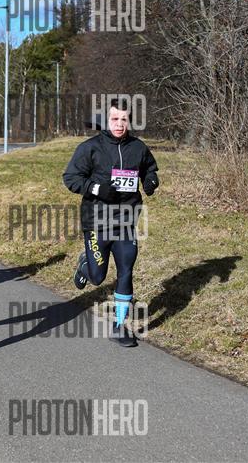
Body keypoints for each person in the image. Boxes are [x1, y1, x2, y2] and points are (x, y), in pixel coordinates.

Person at [63, 99, 159, 347]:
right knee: (97, 277)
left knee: (126, 269)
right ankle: (85, 266)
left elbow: (149, 169)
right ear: (106, 121)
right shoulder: (91, 148)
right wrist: (96, 188)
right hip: (97, 222)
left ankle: (119, 326)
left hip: (126, 221)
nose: (119, 124)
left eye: (123, 119)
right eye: (114, 119)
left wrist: (150, 181)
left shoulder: (138, 148)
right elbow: (71, 177)